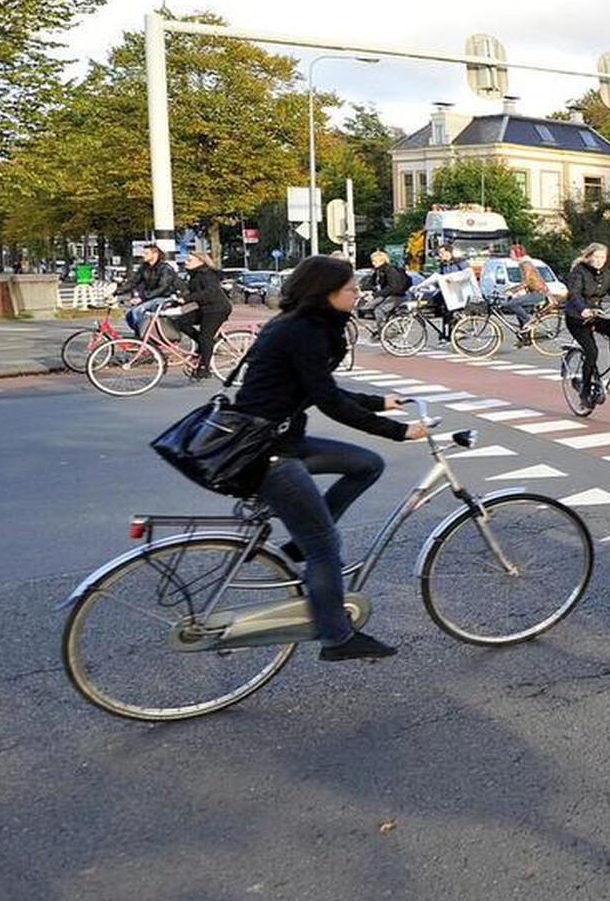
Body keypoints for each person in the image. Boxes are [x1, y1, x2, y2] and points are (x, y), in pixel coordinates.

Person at [231, 256, 426, 661]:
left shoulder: (302, 325)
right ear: (327, 292)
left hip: (277, 439)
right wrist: (400, 431)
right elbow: (329, 403)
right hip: (266, 451)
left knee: (366, 464)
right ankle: (337, 638)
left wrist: (380, 402)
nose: (358, 293)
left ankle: (302, 546)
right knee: (325, 546)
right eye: (351, 288)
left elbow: (320, 389)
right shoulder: (303, 331)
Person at [563, 243, 610, 403]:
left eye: (602, 257)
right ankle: (585, 392)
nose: (599, 260)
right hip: (577, 318)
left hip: (594, 315)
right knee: (592, 352)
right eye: (596, 257)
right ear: (588, 257)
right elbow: (574, 294)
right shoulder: (578, 272)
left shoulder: (607, 274)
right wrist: (583, 309)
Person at [162, 251, 232, 378]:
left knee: (206, 336)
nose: (186, 262)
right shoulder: (194, 275)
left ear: (201, 262)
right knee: (181, 322)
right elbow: (190, 293)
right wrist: (174, 303)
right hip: (205, 308)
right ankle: (204, 345)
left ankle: (205, 368)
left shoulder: (207, 274)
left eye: (190, 260)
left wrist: (186, 299)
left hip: (217, 309)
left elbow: (210, 292)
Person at [116, 243, 182, 336]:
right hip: (151, 296)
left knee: (138, 311)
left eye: (146, 253)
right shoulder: (144, 268)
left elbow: (163, 288)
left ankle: (143, 338)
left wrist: (142, 297)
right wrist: (117, 291)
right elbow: (134, 282)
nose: (143, 255)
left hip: (165, 297)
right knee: (129, 315)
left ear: (155, 254)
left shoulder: (164, 268)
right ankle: (142, 335)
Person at [362, 250, 412, 332]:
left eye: (374, 261)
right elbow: (370, 284)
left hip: (398, 296)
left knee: (379, 310)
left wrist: (375, 295)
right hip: (387, 295)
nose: (372, 263)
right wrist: (359, 289)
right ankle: (383, 324)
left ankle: (382, 332)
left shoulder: (390, 270)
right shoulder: (378, 271)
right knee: (367, 306)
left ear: (381, 261)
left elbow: (392, 287)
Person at [505, 258, 554, 331]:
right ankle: (526, 334)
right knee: (520, 311)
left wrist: (513, 291)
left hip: (538, 293)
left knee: (512, 304)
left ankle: (529, 322)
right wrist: (509, 290)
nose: (511, 257)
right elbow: (527, 284)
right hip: (535, 293)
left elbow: (526, 282)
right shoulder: (523, 265)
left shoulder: (526, 265)